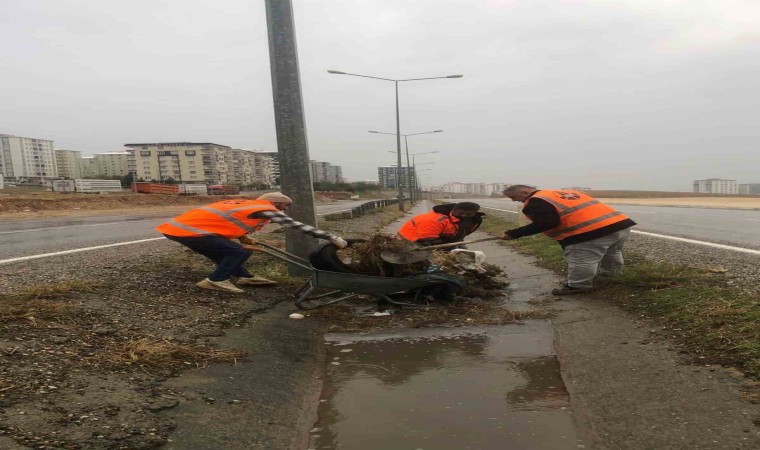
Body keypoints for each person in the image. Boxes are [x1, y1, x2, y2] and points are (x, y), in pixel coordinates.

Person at [156, 192, 348, 294]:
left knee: (229, 251)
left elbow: (223, 221)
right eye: (285, 206)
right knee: (239, 252)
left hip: (176, 229)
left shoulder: (246, 204)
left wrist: (242, 237)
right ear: (276, 203)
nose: (286, 210)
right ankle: (215, 281)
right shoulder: (266, 209)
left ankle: (244, 277)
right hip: (189, 231)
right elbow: (298, 226)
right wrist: (331, 237)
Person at [500, 185, 636, 295]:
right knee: (612, 252)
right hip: (620, 225)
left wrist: (514, 234)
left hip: (590, 232)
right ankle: (612, 276)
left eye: (513, 197)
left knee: (582, 259)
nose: (513, 200)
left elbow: (546, 223)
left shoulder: (535, 202)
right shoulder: (557, 193)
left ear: (524, 192)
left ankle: (579, 286)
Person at [398, 202, 484, 247]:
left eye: (469, 214)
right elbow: (426, 242)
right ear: (453, 210)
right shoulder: (435, 220)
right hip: (411, 242)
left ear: (474, 213)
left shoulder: (473, 220)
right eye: (460, 213)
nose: (464, 216)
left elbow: (461, 235)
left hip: (444, 240)